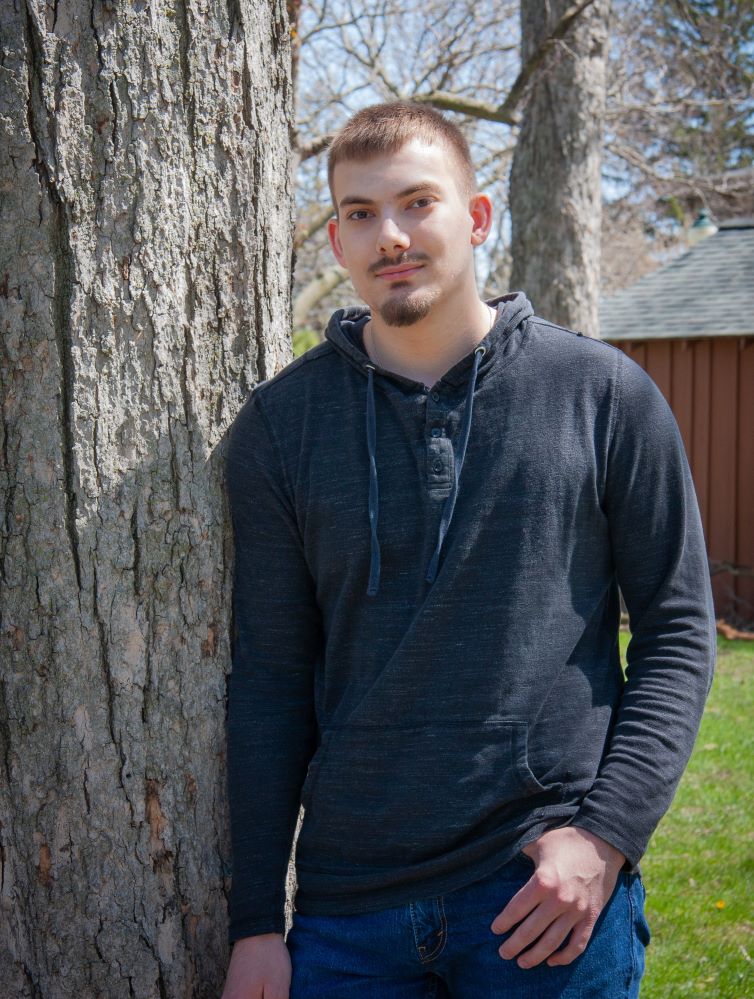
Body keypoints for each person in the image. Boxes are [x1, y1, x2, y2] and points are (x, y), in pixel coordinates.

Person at [221, 100, 716, 998]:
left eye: (419, 202)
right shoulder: (280, 428)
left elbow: (680, 631)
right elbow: (270, 679)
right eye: (361, 214)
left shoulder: (603, 395)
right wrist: (256, 919)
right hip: (346, 915)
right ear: (336, 241)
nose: (392, 236)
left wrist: (604, 836)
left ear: (478, 216)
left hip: (543, 896)